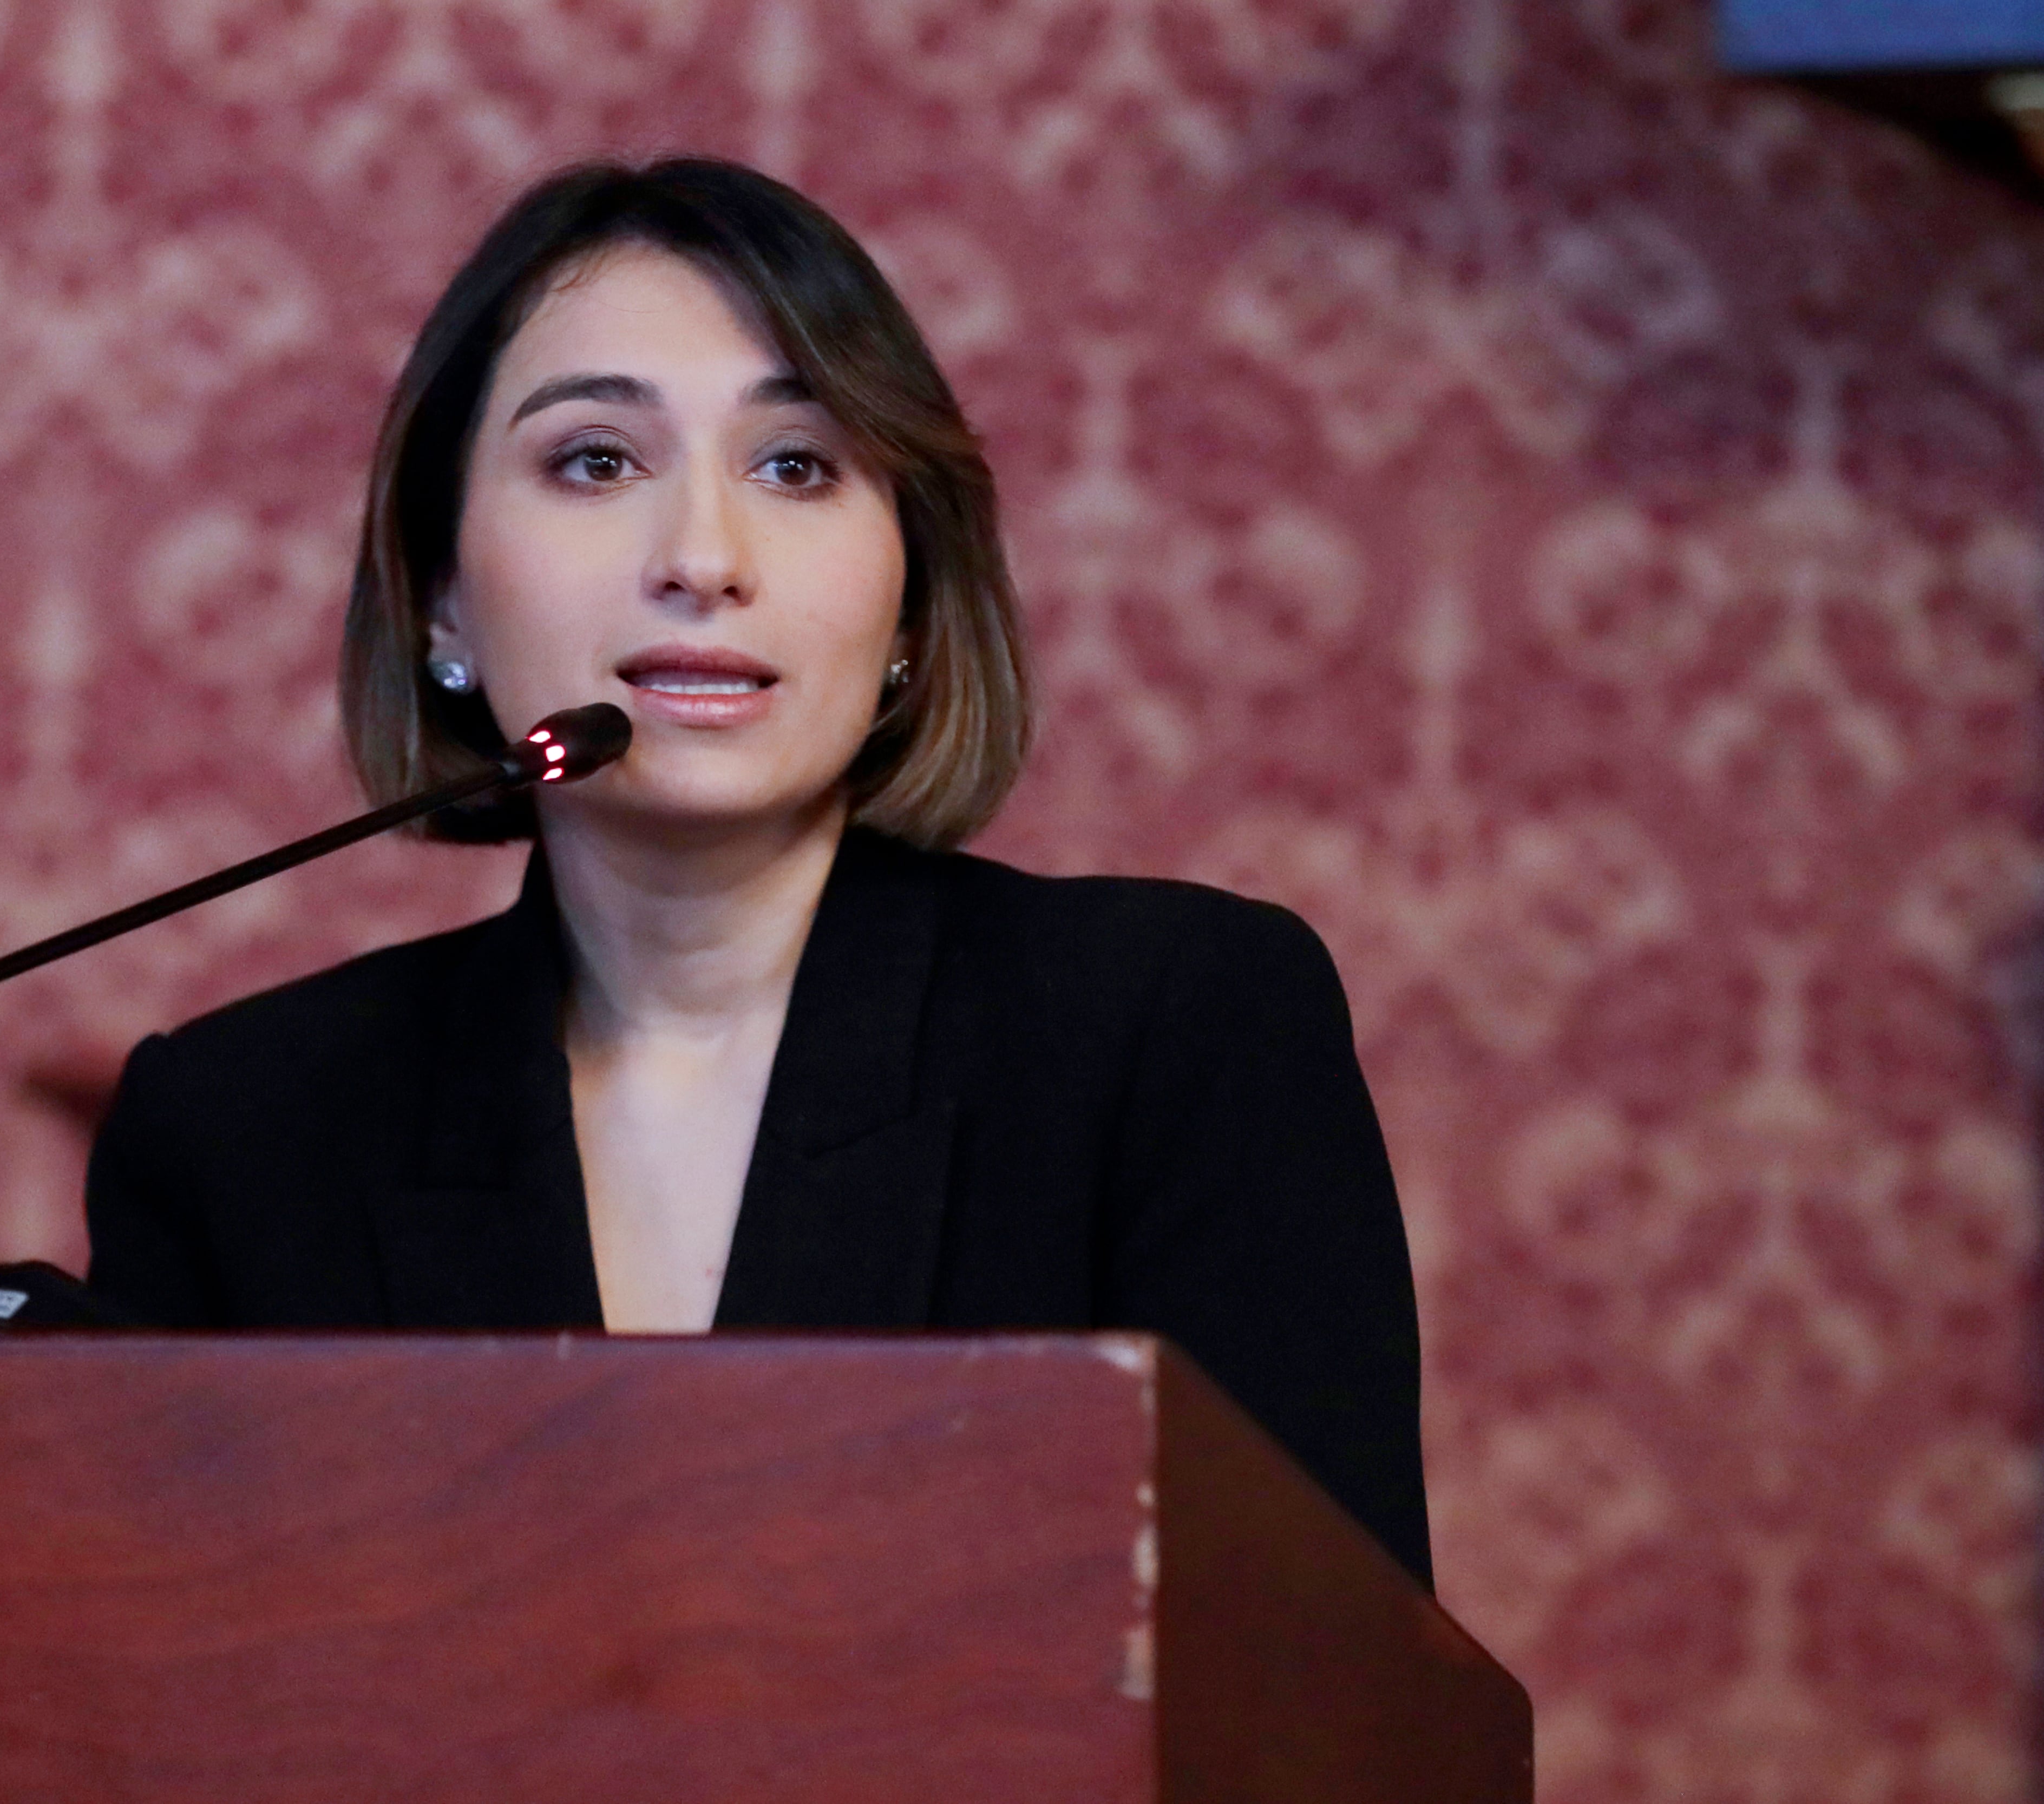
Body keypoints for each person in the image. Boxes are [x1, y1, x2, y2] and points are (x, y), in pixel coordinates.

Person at [86, 158, 1432, 1587]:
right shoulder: (244, 1134)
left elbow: (1327, 1718)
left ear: (911, 600)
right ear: (442, 604)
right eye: (597, 460)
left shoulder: (1174, 1035)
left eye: (797, 465)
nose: (705, 558)